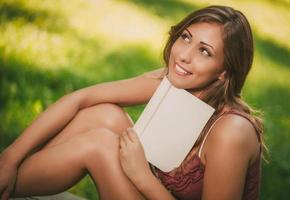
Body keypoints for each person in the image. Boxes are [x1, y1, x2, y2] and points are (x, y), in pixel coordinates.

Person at [0, 5, 266, 200]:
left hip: (147, 186)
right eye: (186, 37)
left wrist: (142, 176)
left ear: (225, 71)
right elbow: (82, 98)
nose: (184, 56)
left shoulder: (232, 131)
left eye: (204, 51)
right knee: (104, 115)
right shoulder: (175, 81)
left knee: (101, 144)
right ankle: (8, 179)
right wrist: (11, 157)